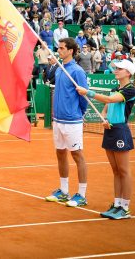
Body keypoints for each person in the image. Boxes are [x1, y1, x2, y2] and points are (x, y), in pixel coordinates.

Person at [76, 59, 135, 220]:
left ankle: (125, 207)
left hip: (121, 132)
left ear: (128, 73)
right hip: (110, 131)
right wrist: (104, 119)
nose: (116, 70)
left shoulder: (130, 90)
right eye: (116, 68)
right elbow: (106, 109)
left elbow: (110, 100)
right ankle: (117, 204)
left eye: (120, 69)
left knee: (124, 170)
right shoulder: (114, 88)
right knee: (116, 171)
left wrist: (87, 92)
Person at [46, 37, 89, 208]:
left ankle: (82, 194)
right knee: (60, 153)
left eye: (62, 48)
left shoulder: (77, 71)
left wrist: (79, 114)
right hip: (58, 120)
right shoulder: (59, 69)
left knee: (77, 155)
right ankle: (64, 192)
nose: (59, 51)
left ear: (70, 50)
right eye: (58, 48)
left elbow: (84, 95)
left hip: (72, 121)